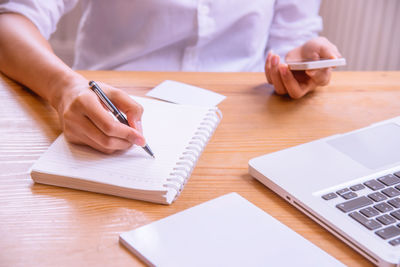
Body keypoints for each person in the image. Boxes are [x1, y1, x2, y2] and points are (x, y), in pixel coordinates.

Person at [0, 0, 341, 154]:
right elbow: (11, 22)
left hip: (245, 123)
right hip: (109, 113)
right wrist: (64, 86)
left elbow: (291, 39)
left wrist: (298, 62)